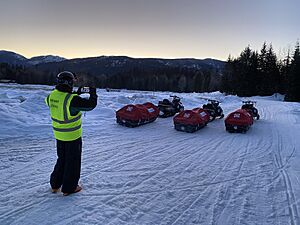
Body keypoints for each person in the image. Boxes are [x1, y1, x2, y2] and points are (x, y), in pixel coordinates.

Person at [45, 71, 97, 196]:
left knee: (62, 159)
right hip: (72, 136)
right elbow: (90, 105)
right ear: (69, 83)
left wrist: (75, 93)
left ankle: (55, 185)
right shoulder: (72, 100)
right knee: (72, 162)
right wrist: (93, 94)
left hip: (59, 135)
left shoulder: (51, 96)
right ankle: (69, 188)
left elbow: (63, 99)